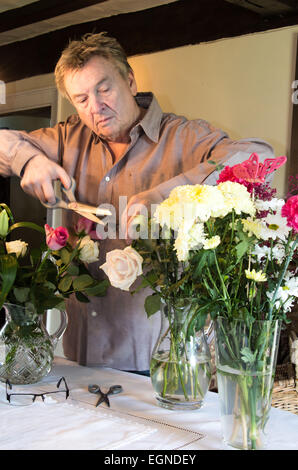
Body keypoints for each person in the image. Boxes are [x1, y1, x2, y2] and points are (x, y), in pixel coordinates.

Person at [0, 32, 274, 372]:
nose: (95, 107)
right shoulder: (66, 138)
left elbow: (259, 157)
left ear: (130, 81)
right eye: (81, 98)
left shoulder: (184, 137)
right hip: (80, 350)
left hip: (158, 355)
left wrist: (164, 195)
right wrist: (27, 160)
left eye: (104, 89)